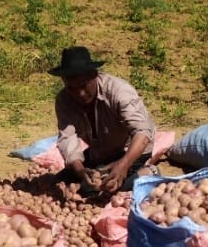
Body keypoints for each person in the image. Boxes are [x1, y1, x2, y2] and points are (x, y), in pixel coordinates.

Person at [50, 45, 156, 199]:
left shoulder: (119, 91)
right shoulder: (64, 100)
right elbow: (67, 138)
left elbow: (142, 133)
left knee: (100, 190)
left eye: (83, 85)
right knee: (60, 182)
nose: (79, 93)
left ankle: (148, 173)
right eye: (71, 87)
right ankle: (106, 170)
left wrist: (124, 164)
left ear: (94, 75)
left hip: (130, 150)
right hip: (100, 152)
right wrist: (80, 170)